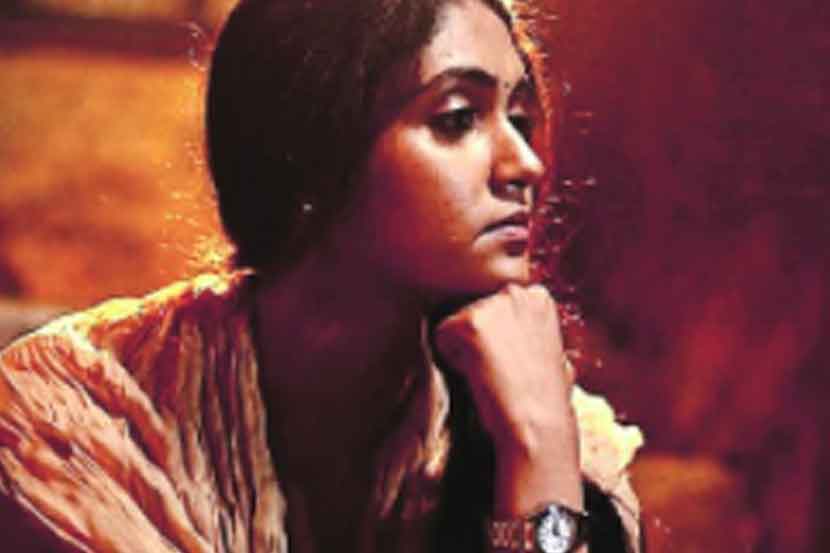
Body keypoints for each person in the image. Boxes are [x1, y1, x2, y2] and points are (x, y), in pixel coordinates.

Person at [0, 0, 643, 551]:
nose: (526, 164)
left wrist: (537, 454)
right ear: (311, 153)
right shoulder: (72, 427)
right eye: (456, 119)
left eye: (520, 119)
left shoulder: (554, 427)